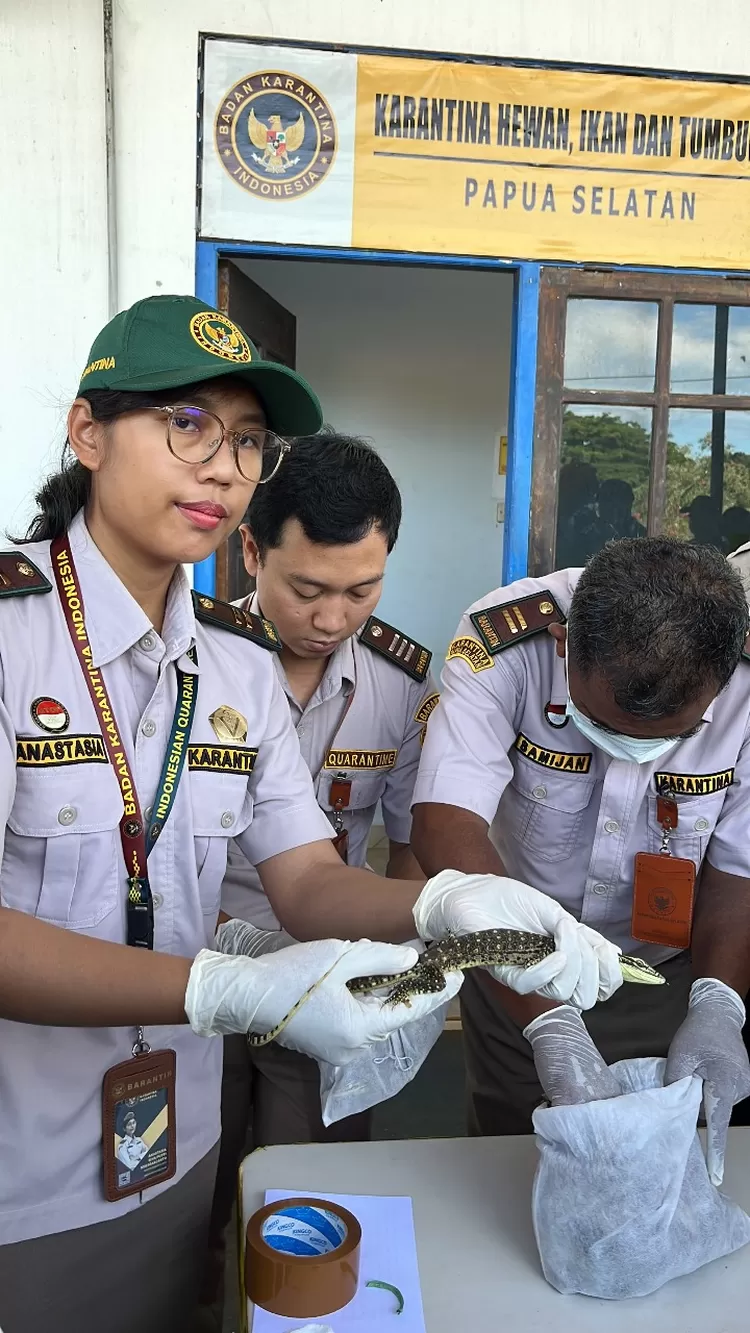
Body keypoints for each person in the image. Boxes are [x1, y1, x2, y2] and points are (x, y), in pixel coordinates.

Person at [0, 294, 618, 1333]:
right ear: (88, 433)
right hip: (21, 1162)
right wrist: (224, 986)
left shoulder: (232, 663)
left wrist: (449, 906)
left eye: (247, 440)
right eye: (186, 425)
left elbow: (305, 877)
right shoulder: (14, 639)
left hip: (174, 1137)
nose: (223, 467)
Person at [411, 538, 750, 1188]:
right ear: (566, 643)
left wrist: (718, 1005)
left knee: (660, 1178)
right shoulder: (505, 640)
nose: (632, 754)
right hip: (516, 963)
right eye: (604, 725)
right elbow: (444, 823)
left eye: (674, 738)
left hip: (667, 974)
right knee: (510, 1168)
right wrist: (549, 1019)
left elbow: (742, 865)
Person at [203, 431, 438, 1310]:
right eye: (307, 589)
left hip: (323, 971)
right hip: (194, 960)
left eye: (361, 590)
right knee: (189, 1175)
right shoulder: (193, 659)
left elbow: (408, 846)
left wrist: (398, 967)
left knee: (313, 1180)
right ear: (251, 549)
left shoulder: (403, 681)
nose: (334, 618)